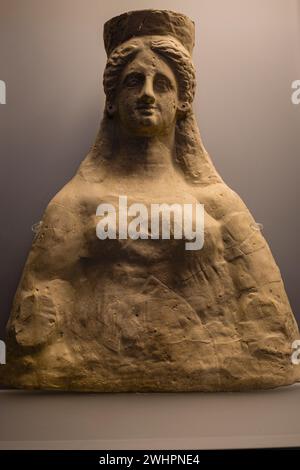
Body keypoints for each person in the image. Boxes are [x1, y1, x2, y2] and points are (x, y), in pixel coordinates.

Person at [2, 10, 299, 391]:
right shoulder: (75, 204)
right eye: (133, 82)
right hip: (91, 370)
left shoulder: (218, 204)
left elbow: (266, 316)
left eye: (162, 84)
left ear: (183, 102)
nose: (147, 93)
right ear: (111, 101)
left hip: (213, 365)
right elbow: (37, 317)